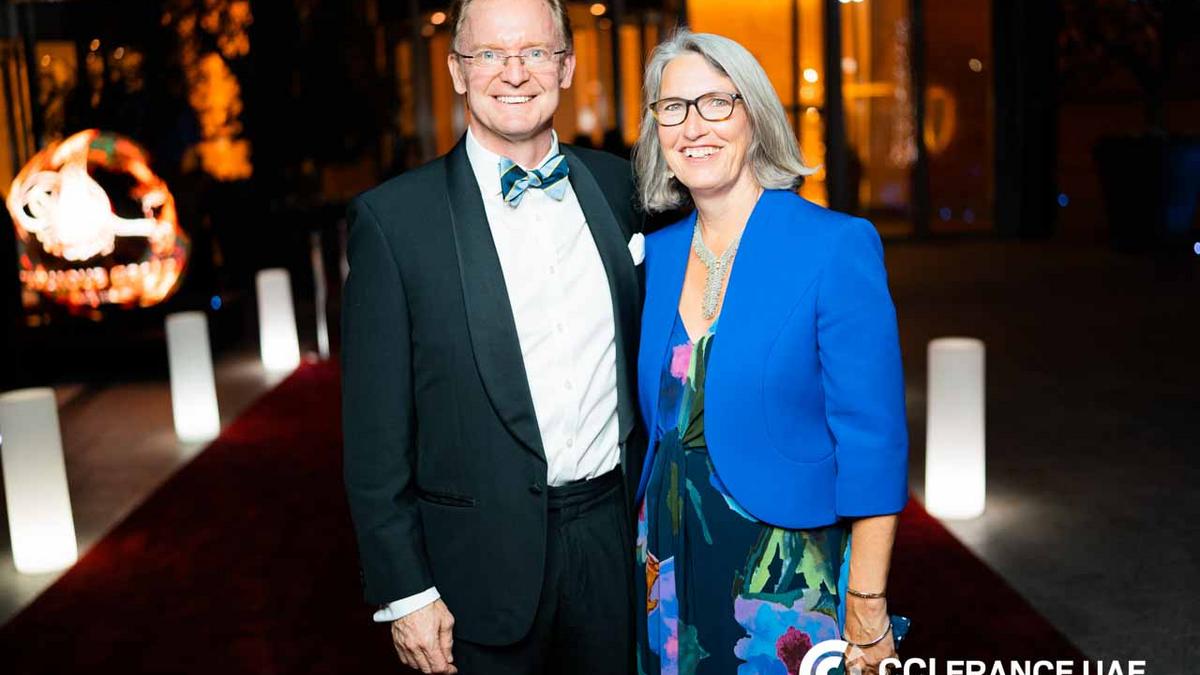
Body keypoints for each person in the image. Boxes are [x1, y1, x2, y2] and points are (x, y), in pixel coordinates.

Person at [340, 0, 644, 673]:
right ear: (457, 71)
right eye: (489, 54)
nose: (514, 72)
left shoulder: (619, 187)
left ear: (565, 66)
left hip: (613, 541)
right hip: (472, 570)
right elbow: (373, 436)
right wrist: (405, 589)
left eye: (535, 51)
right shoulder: (394, 222)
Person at [631, 30, 909, 675]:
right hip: (663, 564)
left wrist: (867, 601)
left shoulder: (834, 245)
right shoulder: (656, 256)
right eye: (672, 107)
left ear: (753, 115)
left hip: (783, 577)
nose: (693, 127)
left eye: (715, 103)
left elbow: (872, 438)